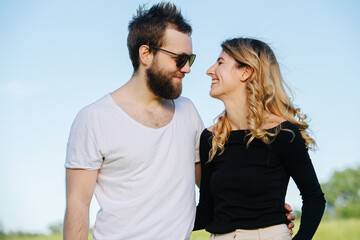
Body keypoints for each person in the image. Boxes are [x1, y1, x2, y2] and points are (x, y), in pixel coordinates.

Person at [64, 3, 295, 240]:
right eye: (180, 58)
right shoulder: (94, 118)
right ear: (146, 54)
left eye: (190, 59)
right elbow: (78, 204)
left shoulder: (188, 112)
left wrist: (267, 214)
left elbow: (218, 187)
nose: (187, 69)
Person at [194, 38, 326, 240]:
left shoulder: (282, 133)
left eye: (220, 63)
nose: (210, 70)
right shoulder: (210, 138)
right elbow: (205, 211)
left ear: (245, 72)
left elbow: (314, 198)